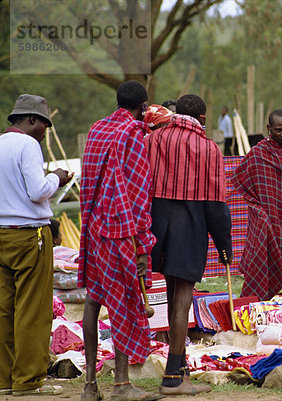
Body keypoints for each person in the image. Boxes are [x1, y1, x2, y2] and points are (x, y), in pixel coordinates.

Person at [146, 94, 232, 395]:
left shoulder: (155, 138)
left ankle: (180, 368)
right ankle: (172, 377)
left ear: (177, 113)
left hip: (157, 227)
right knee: (183, 300)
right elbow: (217, 205)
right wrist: (224, 245)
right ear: (204, 119)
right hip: (190, 228)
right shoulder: (209, 148)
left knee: (171, 296)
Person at [79, 81, 160, 401]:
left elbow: (89, 181)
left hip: (95, 228)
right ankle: (122, 385)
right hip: (121, 231)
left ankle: (89, 386)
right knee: (124, 301)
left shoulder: (97, 130)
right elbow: (139, 194)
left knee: (94, 299)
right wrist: (142, 244)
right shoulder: (133, 134)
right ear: (143, 106)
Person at [0, 94, 71, 396]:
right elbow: (36, 191)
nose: (45, 131)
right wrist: (56, 176)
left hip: (2, 232)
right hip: (30, 236)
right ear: (31, 120)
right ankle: (27, 381)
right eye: (44, 124)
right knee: (31, 309)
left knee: (4, 309)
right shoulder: (28, 145)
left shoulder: (1, 143)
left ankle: (4, 380)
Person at [231, 110, 282, 303]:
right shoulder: (259, 153)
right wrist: (257, 209)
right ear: (269, 129)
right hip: (269, 222)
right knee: (263, 271)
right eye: (279, 130)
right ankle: (257, 318)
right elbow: (239, 178)